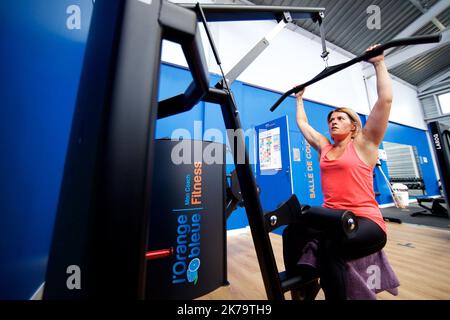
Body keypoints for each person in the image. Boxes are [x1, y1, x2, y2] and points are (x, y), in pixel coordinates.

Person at [283, 45, 393, 300]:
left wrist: (378, 63)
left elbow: (385, 101)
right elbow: (302, 124)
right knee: (292, 231)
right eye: (331, 119)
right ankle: (304, 286)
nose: (333, 120)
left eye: (340, 118)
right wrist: (299, 99)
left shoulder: (365, 144)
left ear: (354, 126)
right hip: (333, 217)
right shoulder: (324, 147)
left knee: (331, 247)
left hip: (366, 221)